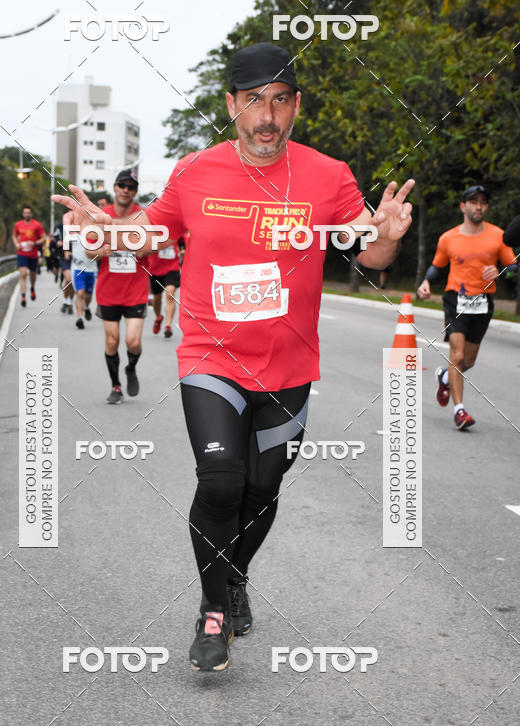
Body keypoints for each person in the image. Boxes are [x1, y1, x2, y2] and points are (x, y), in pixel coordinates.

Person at [53, 43, 414, 671]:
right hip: (210, 357)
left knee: (262, 489)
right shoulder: (195, 171)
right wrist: (105, 233)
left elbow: (369, 252)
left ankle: (234, 574)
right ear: (231, 105)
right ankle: (213, 609)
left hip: (290, 366)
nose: (266, 117)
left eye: (280, 101)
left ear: (296, 106)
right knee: (221, 480)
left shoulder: (329, 175)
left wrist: (386, 237)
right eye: (253, 101)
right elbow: (149, 233)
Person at [417, 185, 516, 430]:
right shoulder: (448, 238)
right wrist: (427, 281)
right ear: (463, 206)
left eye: (483, 202)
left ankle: (444, 376)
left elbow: (513, 266)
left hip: (483, 302)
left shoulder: (498, 236)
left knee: (468, 361)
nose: (479, 206)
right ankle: (459, 411)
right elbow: (437, 266)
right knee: (458, 356)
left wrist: (500, 271)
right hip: (455, 300)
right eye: (473, 202)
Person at [87, 169, 151, 404]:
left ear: (135, 192)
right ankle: (115, 386)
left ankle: (131, 367)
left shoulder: (144, 216)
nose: (126, 190)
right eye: (122, 185)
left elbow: (156, 244)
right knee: (112, 341)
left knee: (132, 342)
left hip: (136, 290)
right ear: (115, 188)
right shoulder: (101, 217)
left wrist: (144, 248)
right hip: (108, 291)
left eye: (131, 187)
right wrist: (100, 251)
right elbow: (88, 250)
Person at [12, 205, 46, 307]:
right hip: (22, 253)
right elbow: (14, 236)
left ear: (31, 214)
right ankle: (23, 296)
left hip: (33, 254)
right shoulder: (18, 225)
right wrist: (16, 244)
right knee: (22, 274)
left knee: (32, 275)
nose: (26, 214)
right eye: (25, 213)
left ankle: (32, 287)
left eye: (28, 213)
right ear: (23, 214)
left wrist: (35, 243)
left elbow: (44, 238)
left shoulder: (37, 225)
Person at [147, 238, 181, 337]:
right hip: (155, 268)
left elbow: (182, 240)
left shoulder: (176, 229)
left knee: (170, 294)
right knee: (157, 298)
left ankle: (168, 326)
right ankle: (158, 317)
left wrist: (183, 249)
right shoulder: (152, 229)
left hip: (172, 267)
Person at [70, 228, 97, 330]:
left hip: (91, 269)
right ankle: (80, 318)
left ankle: (86, 307)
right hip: (78, 269)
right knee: (80, 293)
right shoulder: (74, 236)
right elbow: (65, 243)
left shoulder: (96, 236)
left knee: (88, 296)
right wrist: (66, 252)